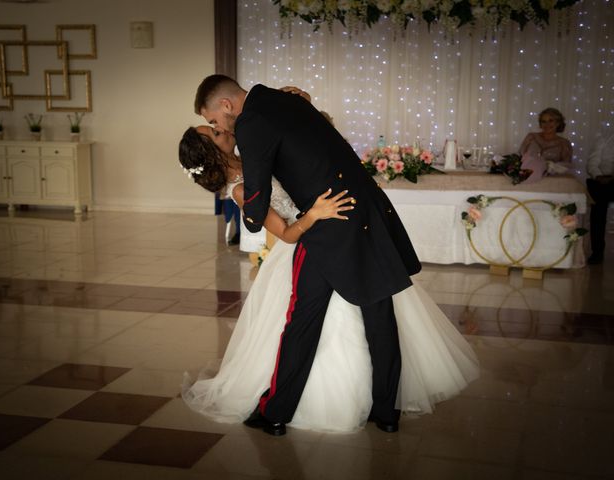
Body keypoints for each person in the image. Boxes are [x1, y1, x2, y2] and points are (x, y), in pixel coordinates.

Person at [192, 74, 476, 436]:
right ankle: (387, 412)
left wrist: (250, 216)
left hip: (327, 224)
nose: (217, 125)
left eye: (213, 119)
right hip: (366, 209)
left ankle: (276, 412)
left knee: (302, 321)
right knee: (380, 315)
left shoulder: (251, 121)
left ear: (226, 105)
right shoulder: (288, 99)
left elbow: (258, 193)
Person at [518, 107, 573, 183]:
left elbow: (567, 165)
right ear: (540, 124)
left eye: (551, 121)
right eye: (544, 121)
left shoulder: (564, 143)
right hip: (527, 179)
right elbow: (520, 156)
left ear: (558, 123)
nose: (547, 124)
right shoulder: (531, 137)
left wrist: (550, 166)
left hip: (551, 183)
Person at [586, 130, 614, 264]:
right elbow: (592, 163)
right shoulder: (604, 138)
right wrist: (598, 176)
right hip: (604, 181)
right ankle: (597, 252)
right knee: (597, 214)